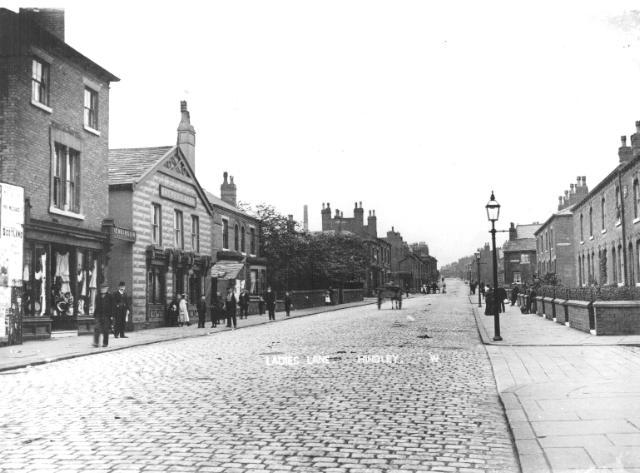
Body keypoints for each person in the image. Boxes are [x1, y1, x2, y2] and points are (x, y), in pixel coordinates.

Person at [93, 283, 113, 347]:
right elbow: (96, 305)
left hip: (106, 315)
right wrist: (95, 314)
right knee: (97, 328)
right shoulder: (98, 296)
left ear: (107, 289)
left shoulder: (110, 296)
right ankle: (96, 343)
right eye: (102, 288)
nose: (103, 290)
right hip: (98, 314)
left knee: (105, 329)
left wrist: (112, 315)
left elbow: (112, 306)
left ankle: (105, 343)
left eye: (104, 288)